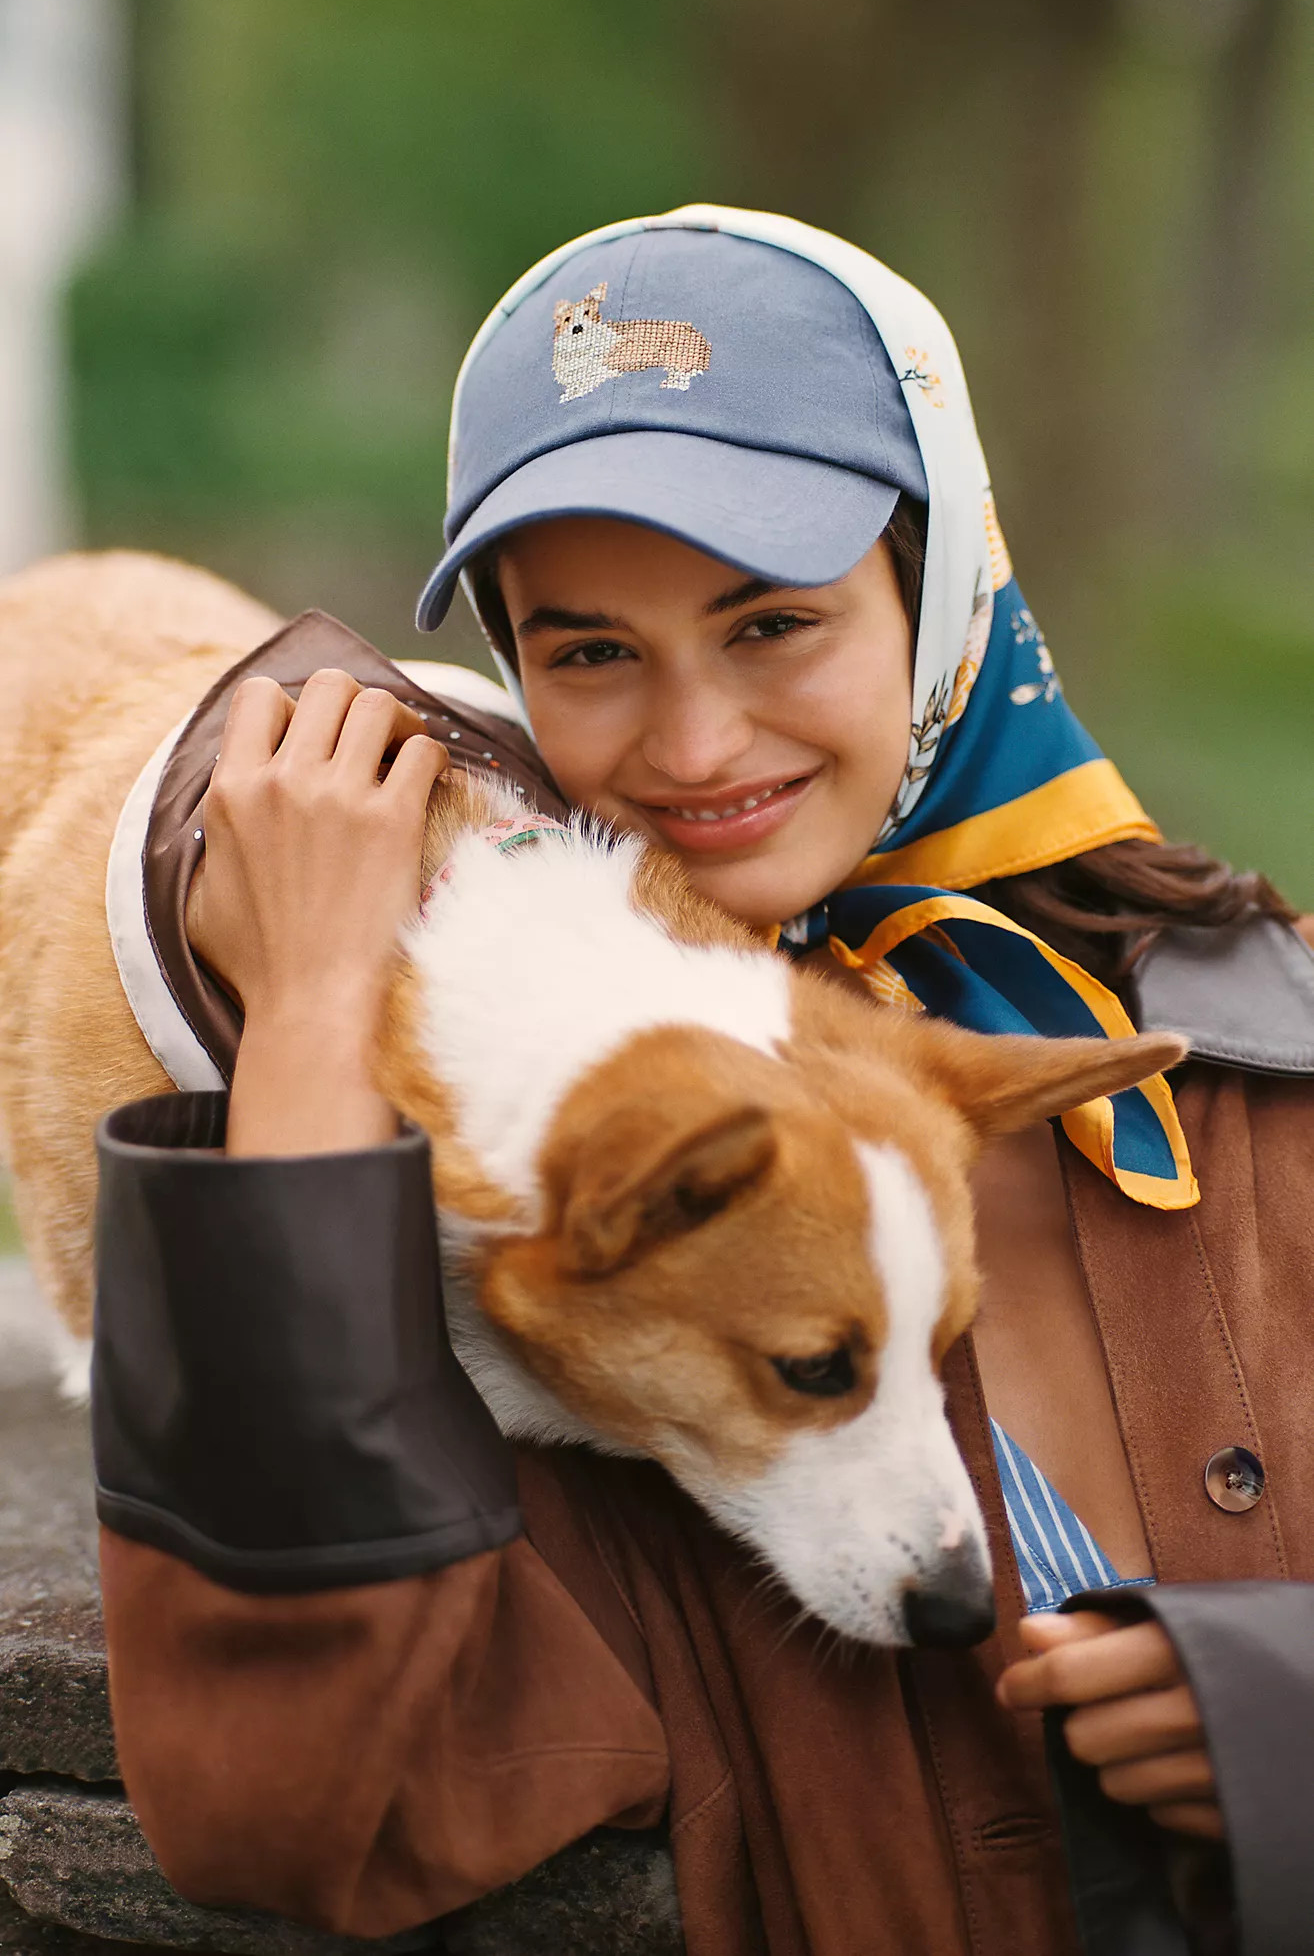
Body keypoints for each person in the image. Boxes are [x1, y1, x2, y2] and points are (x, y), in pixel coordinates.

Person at [93, 207, 1314, 1956]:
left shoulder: (1270, 1060)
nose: (689, 747)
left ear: (943, 583)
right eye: (587, 652)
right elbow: (281, 1809)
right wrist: (307, 1026)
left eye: (772, 627)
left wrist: (1277, 1719)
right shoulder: (558, 1189)